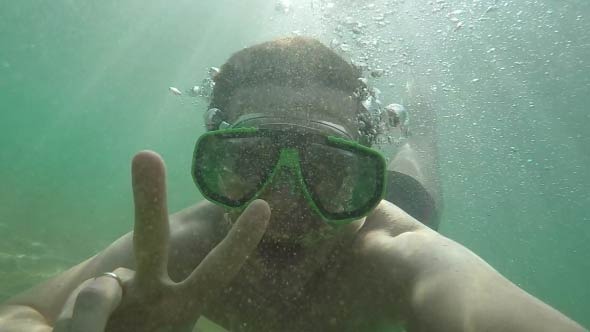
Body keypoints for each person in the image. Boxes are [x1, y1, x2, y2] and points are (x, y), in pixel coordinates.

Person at [0, 37, 584, 332]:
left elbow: (476, 300)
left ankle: (418, 130)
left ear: (361, 170)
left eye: (330, 168)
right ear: (214, 159)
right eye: (250, 162)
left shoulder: (401, 256)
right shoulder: (180, 252)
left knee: (416, 167)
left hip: (394, 205)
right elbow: (21, 310)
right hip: (348, 210)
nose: (280, 207)